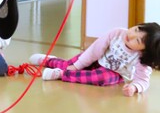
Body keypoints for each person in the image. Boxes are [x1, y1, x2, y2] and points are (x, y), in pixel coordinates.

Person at [30, 22, 160, 96]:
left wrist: (135, 87)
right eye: (136, 29)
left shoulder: (141, 57)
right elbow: (94, 50)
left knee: (103, 77)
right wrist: (77, 66)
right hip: (97, 59)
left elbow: (143, 80)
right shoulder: (117, 33)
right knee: (75, 62)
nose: (131, 35)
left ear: (144, 50)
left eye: (137, 40)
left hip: (114, 73)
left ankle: (61, 74)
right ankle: (49, 61)